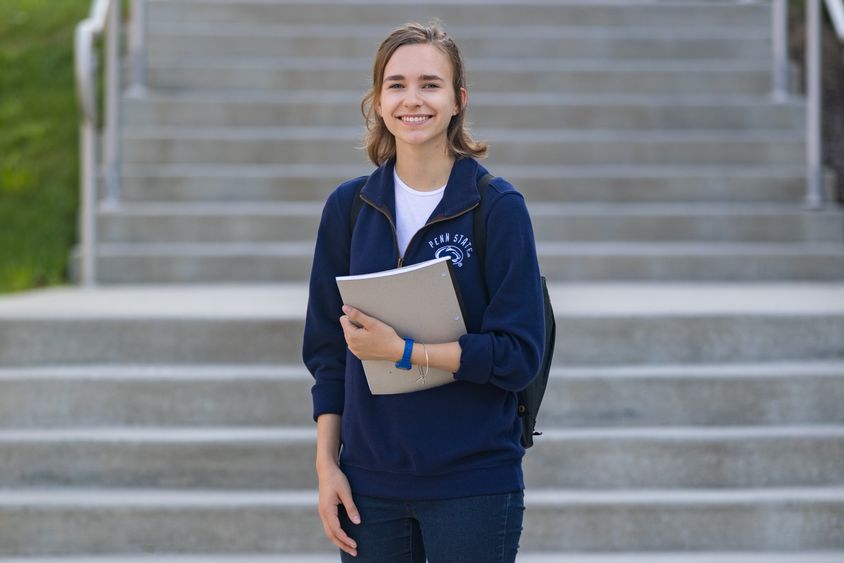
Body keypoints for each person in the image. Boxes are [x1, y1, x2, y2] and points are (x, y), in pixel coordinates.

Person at [302, 21, 546, 563]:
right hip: (369, 487)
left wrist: (405, 353)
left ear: (458, 100)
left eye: (430, 85)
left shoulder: (497, 208)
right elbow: (328, 355)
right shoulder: (348, 209)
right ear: (378, 100)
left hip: (474, 482)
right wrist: (327, 466)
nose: (413, 99)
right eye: (397, 84)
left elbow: (518, 356)